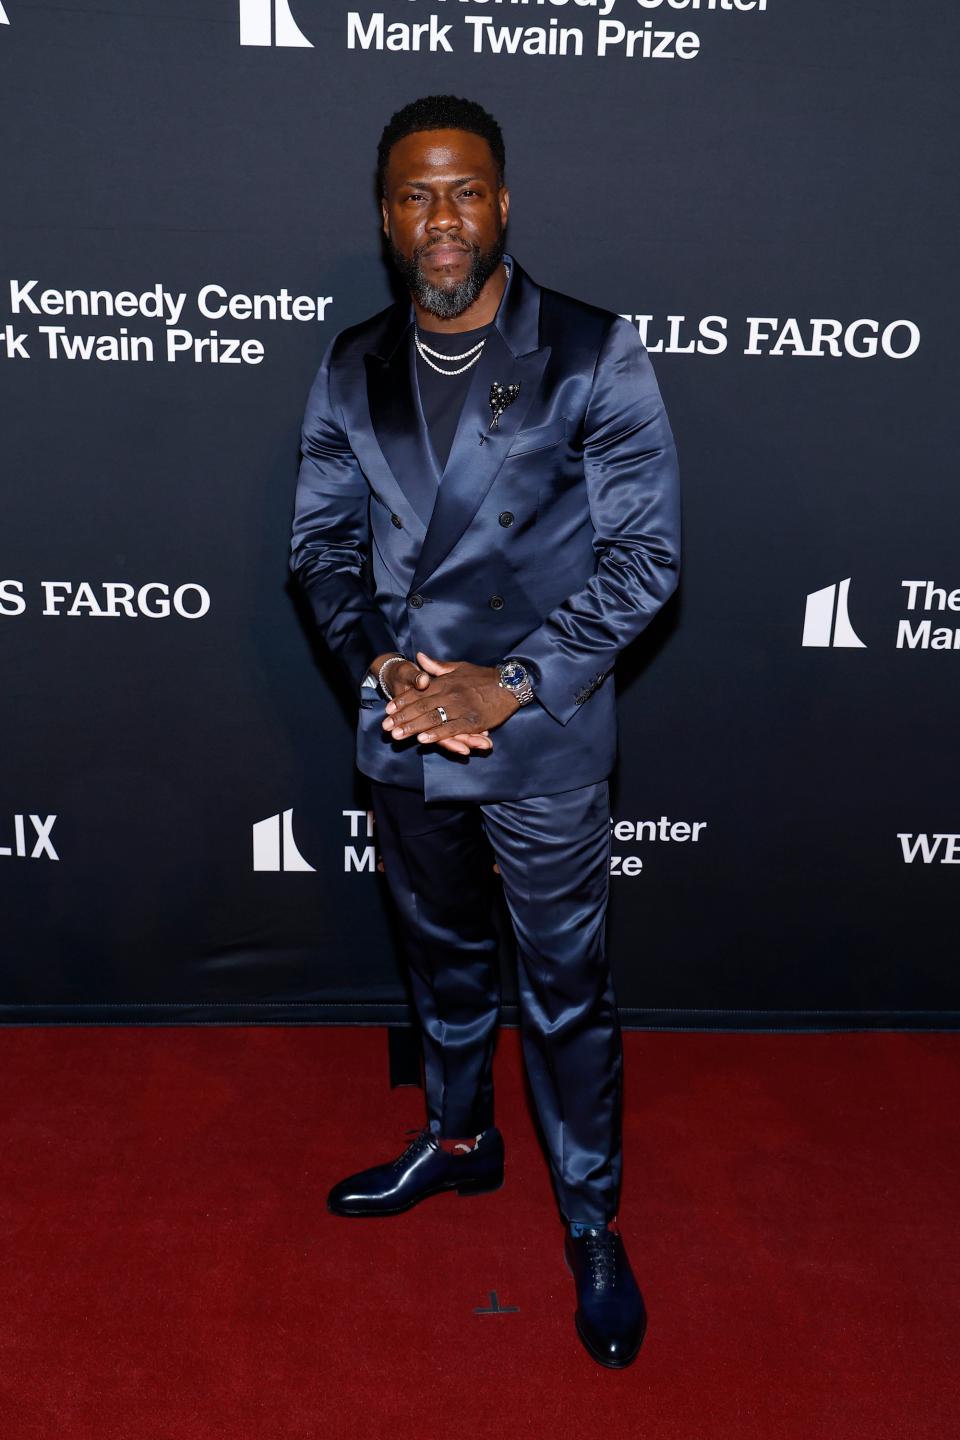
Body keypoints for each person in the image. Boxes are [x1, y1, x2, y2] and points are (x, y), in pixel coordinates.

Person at [289, 94, 680, 1369]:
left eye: (463, 191)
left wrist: (505, 684)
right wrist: (393, 668)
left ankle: (591, 1223)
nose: (440, 218)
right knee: (443, 964)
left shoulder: (590, 352)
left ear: (503, 203)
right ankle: (460, 1141)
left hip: (542, 728)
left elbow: (642, 560)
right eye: (415, 194)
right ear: (386, 214)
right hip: (407, 727)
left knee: (565, 993)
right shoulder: (353, 363)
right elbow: (322, 551)